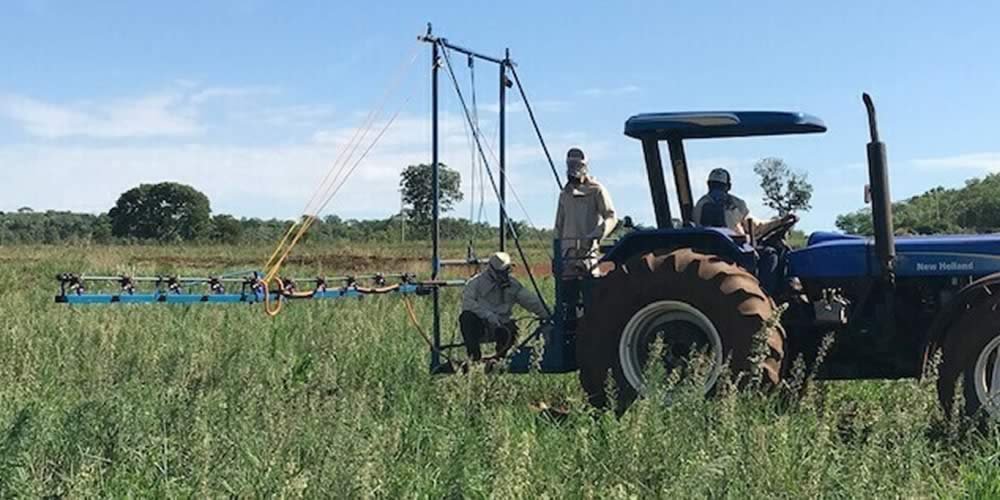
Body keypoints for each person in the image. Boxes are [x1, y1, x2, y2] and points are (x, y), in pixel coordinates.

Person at [460, 252, 549, 361]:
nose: (504, 275)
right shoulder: (475, 283)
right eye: (501, 272)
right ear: (491, 270)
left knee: (511, 329)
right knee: (466, 318)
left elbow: (531, 301)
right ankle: (474, 359)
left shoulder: (513, 286)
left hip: (502, 325)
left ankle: (500, 360)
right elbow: (467, 303)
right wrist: (488, 315)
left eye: (506, 271)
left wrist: (549, 314)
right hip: (481, 325)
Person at [554, 147, 618, 277]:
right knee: (567, 293)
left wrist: (596, 234)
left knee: (591, 291)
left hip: (588, 253)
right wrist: (556, 256)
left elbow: (611, 216)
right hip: (567, 255)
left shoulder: (596, 190)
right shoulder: (564, 194)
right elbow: (558, 226)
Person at [692, 168, 792, 237]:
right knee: (770, 254)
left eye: (720, 186)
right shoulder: (702, 206)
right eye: (714, 185)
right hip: (734, 248)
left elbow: (755, 227)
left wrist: (780, 221)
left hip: (717, 246)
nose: (717, 190)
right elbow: (756, 228)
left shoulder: (737, 204)